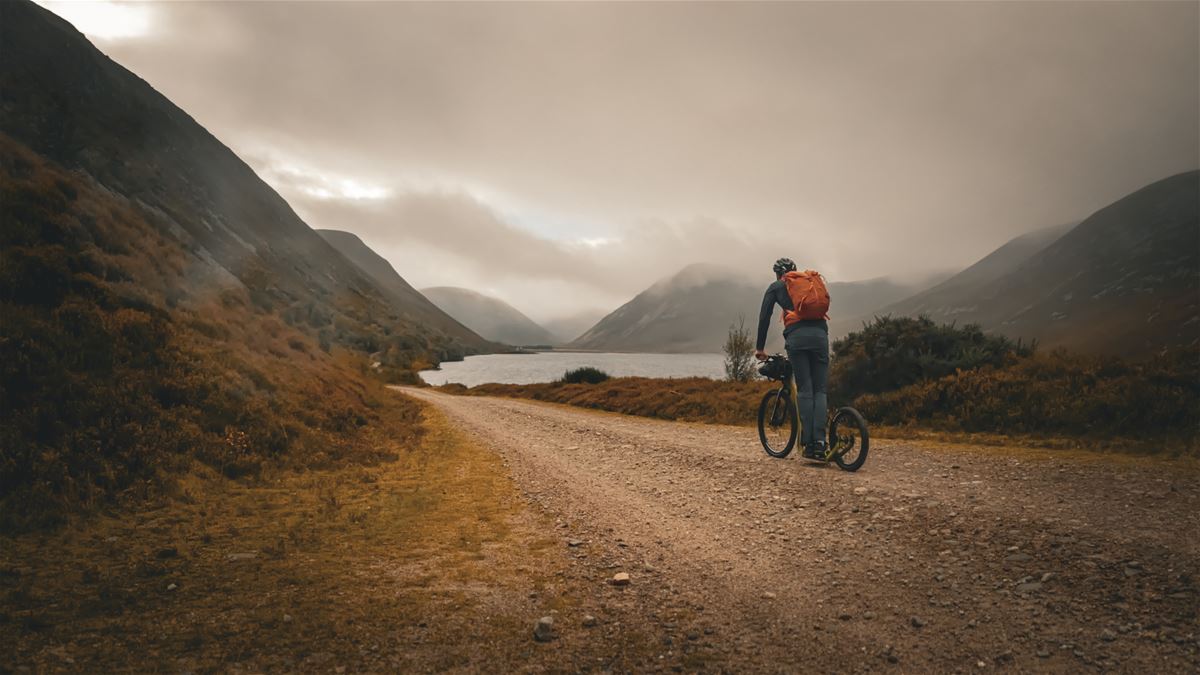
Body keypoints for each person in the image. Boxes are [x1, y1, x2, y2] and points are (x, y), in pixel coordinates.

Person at [754, 258, 829, 460]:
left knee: (804, 389)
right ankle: (821, 442)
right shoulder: (808, 285)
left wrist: (760, 348)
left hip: (797, 338)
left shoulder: (776, 287)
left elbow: (764, 317)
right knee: (820, 390)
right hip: (821, 335)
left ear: (778, 274)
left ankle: (809, 445)